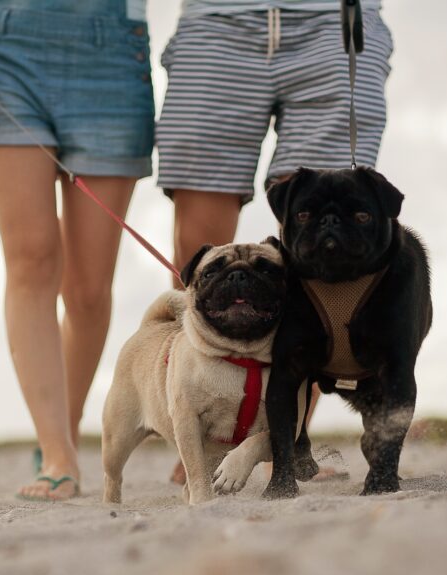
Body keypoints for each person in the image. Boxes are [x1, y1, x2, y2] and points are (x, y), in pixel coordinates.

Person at [158, 0, 394, 484]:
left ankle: (288, 445)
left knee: (317, 239)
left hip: (333, 20)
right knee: (200, 249)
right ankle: (201, 434)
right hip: (217, 23)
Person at [0, 0, 154, 501]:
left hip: (112, 53)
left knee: (89, 290)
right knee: (31, 256)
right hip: (6, 47)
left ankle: (67, 428)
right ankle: (57, 451)